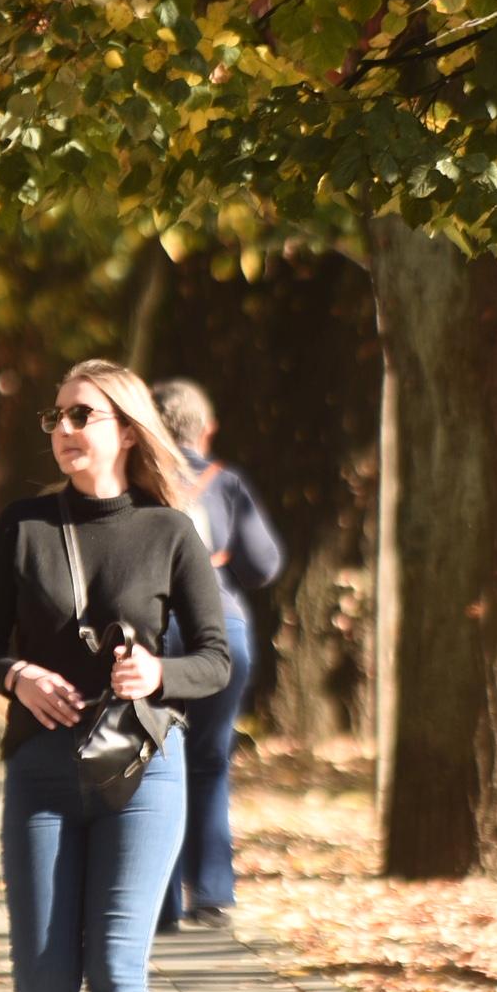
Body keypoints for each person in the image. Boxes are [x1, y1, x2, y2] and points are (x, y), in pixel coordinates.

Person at [0, 359, 229, 992]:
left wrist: (158, 671)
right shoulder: (24, 526)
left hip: (141, 769)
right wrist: (18, 676)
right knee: (41, 982)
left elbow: (216, 659)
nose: (67, 428)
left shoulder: (169, 531)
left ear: (124, 427)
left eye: (85, 413)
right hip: (41, 770)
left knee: (116, 970)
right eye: (58, 415)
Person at [149, 379, 285, 933]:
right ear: (206, 429)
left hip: (154, 632)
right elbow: (264, 564)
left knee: (154, 758)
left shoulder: (135, 482)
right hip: (222, 629)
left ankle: (160, 901)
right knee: (209, 757)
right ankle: (212, 893)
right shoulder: (224, 483)